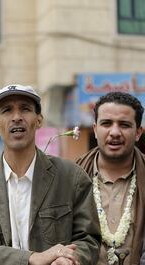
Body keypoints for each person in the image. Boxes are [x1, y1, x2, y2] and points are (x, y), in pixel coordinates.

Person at [0, 84, 101, 265]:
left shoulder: (71, 178)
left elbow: (89, 240)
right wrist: (31, 258)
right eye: (7, 110)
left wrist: (69, 259)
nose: (16, 117)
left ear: (39, 120)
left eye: (25, 109)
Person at [76, 92, 145, 265]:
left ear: (138, 132)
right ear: (95, 130)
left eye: (124, 125)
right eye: (106, 123)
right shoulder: (71, 177)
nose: (115, 132)